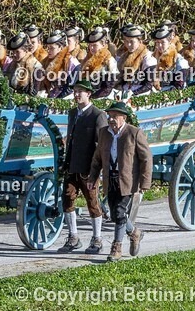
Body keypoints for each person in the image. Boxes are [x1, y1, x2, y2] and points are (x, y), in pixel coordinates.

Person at [88, 101, 152, 262]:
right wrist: (92, 177)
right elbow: (97, 158)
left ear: (124, 117)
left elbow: (146, 159)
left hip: (128, 181)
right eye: (109, 116)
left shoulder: (134, 133)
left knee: (119, 212)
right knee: (115, 215)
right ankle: (135, 233)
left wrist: (145, 183)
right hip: (110, 179)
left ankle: (116, 248)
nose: (111, 119)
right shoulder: (104, 133)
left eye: (115, 116)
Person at [58, 80, 109, 254]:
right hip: (72, 165)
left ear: (89, 94)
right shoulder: (73, 113)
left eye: (80, 91)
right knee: (67, 199)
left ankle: (97, 239)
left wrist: (96, 170)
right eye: (75, 91)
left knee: (92, 202)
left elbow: (101, 145)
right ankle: (73, 237)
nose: (77, 94)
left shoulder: (97, 115)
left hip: (88, 168)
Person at [115, 25, 156, 96]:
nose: (128, 44)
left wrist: (133, 93)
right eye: (126, 41)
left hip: (143, 93)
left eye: (132, 42)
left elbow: (148, 85)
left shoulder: (148, 58)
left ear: (140, 41)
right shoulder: (124, 57)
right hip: (126, 90)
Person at [78, 26, 118, 98]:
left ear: (103, 44)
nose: (91, 48)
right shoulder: (87, 60)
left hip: (103, 97)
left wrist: (92, 97)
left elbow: (108, 86)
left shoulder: (110, 61)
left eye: (95, 45)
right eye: (90, 45)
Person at [40, 30, 81, 97]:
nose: (48, 50)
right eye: (48, 48)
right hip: (51, 95)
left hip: (68, 97)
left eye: (52, 48)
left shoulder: (73, 63)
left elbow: (70, 88)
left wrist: (56, 100)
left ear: (61, 48)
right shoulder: (46, 62)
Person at [150, 25, 189, 91]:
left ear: (169, 42)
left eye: (163, 42)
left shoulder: (178, 60)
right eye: (158, 42)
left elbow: (179, 86)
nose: (160, 45)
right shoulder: (152, 58)